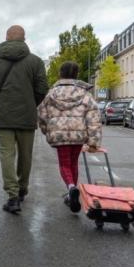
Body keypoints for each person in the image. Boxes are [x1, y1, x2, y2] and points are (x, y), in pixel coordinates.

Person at [0, 25, 48, 214]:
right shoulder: (35, 62)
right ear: (24, 39)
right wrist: (30, 102)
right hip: (27, 116)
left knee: (6, 154)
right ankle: (22, 189)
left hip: (3, 117)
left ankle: (12, 196)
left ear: (6, 38)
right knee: (25, 155)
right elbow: (42, 88)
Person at [38, 61, 102, 212]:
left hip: (60, 135)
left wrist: (47, 130)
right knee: (73, 163)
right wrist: (93, 141)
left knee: (64, 164)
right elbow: (94, 117)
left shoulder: (51, 94)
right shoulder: (85, 94)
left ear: (61, 74)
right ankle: (71, 192)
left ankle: (71, 188)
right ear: (76, 75)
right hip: (79, 135)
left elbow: (41, 113)